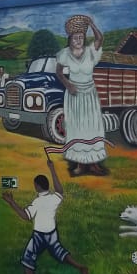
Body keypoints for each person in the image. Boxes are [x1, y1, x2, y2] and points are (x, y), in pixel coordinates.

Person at [2, 158, 90, 274]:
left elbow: (25, 216)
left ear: (37, 186)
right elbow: (60, 190)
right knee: (60, 252)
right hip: (52, 234)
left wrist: (11, 202)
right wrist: (52, 169)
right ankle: (80, 267)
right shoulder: (53, 198)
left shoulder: (38, 201)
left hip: (39, 236)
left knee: (28, 258)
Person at [55, 14, 108, 176]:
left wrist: (91, 24)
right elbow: (59, 73)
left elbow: (100, 39)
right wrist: (68, 84)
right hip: (74, 96)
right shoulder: (65, 54)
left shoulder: (91, 52)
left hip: (89, 95)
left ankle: (94, 164)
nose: (78, 40)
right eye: (75, 38)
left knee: (92, 127)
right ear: (70, 39)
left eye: (81, 37)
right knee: (77, 128)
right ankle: (80, 164)